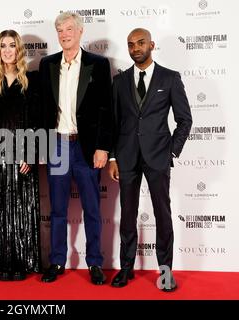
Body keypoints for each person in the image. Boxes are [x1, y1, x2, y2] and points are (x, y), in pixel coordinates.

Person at [109, 28, 192, 292]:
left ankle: (165, 272)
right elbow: (113, 123)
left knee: (163, 214)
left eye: (141, 43)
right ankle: (125, 269)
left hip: (158, 156)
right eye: (131, 44)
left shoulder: (170, 78)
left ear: (151, 45)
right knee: (128, 215)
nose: (136, 48)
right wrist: (112, 157)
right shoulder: (119, 82)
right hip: (126, 156)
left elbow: (184, 120)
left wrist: (172, 151)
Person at [39, 12, 113, 284]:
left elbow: (106, 109)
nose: (64, 34)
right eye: (59, 30)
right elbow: (42, 110)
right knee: (57, 209)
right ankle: (57, 261)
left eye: (69, 29)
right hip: (57, 144)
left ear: (80, 32)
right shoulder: (47, 65)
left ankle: (94, 262)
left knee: (92, 209)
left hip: (86, 146)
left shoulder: (99, 64)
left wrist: (103, 147)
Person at [0, 30, 42, 281]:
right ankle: (3, 262)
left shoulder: (32, 79)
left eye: (12, 45)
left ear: (19, 50)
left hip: (23, 154)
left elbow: (39, 119)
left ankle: (23, 261)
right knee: (0, 209)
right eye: (3, 45)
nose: (8, 50)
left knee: (22, 208)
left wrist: (32, 152)